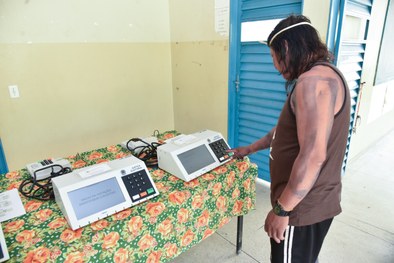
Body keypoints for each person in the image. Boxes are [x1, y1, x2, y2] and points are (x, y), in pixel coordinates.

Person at [229, 15, 351, 263]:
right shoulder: (323, 76)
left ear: (286, 48)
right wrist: (249, 149)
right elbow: (284, 132)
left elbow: (313, 156)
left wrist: (282, 209)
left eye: (273, 57)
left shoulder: (312, 82)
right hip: (314, 202)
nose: (275, 66)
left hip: (301, 209)